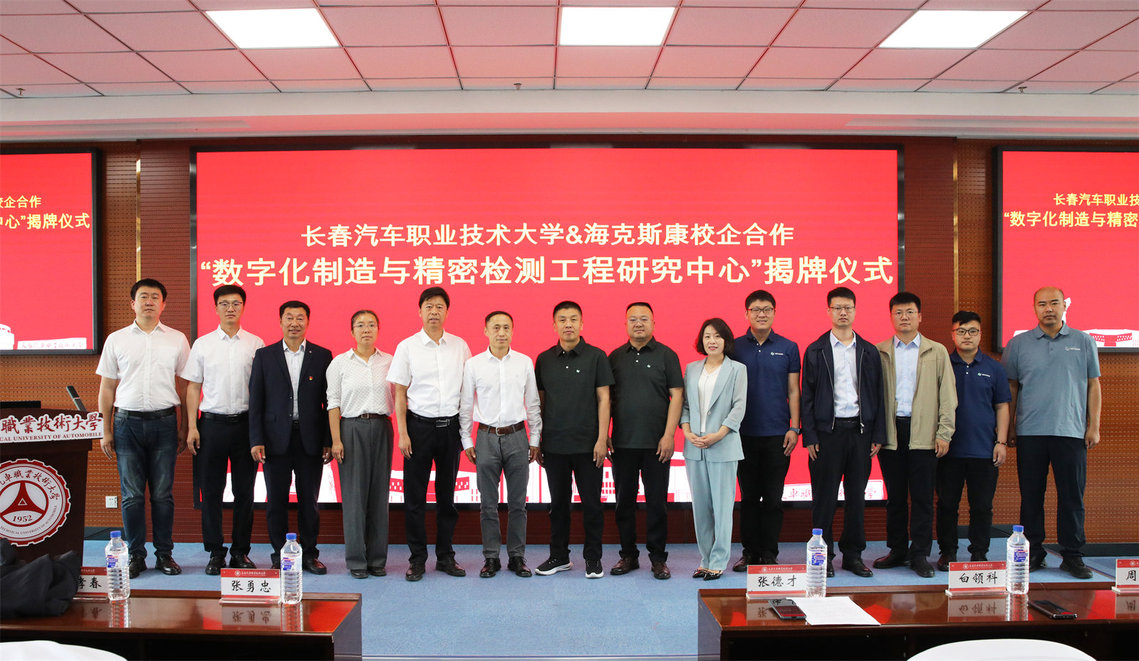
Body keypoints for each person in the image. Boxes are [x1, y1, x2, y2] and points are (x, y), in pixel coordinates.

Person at [1003, 286, 1101, 579]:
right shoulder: (1018, 344)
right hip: (1030, 432)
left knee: (1072, 496)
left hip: (1071, 431)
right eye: (1042, 304)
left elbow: (1093, 384)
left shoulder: (1084, 341)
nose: (1048, 308)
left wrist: (1093, 426)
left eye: (1054, 303)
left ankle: (1072, 555)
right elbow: (1011, 388)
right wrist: (1009, 427)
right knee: (1031, 496)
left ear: (1064, 306)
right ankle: (1033, 552)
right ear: (1034, 308)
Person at [97, 278, 191, 579]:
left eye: (155, 297)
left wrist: (185, 427)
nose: (149, 301)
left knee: (162, 495)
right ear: (132, 303)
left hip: (165, 423)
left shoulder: (177, 339)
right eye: (143, 297)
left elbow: (187, 386)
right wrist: (106, 430)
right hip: (126, 424)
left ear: (163, 304)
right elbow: (107, 388)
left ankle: (164, 554)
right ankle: (136, 555)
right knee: (132, 496)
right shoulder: (116, 339)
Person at [387, 287, 472, 581]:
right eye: (428, 306)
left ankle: (446, 556)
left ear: (447, 311)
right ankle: (417, 559)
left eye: (439, 306)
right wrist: (403, 433)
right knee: (415, 498)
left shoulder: (460, 346)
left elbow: (467, 392)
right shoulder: (407, 347)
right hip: (418, 428)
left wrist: (465, 432)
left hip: (450, 429)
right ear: (419, 311)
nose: (434, 311)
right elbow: (399, 392)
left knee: (447, 498)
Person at [800, 286, 884, 579]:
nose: (843, 312)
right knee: (823, 498)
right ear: (829, 311)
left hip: (860, 433)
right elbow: (807, 397)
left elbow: (878, 394)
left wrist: (878, 434)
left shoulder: (869, 351)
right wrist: (810, 436)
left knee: (856, 498)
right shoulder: (816, 350)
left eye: (848, 307)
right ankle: (822, 555)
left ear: (855, 311)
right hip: (827, 435)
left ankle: (853, 555)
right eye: (837, 307)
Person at [873, 292, 957, 579]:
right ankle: (897, 550)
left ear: (920, 316)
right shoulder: (879, 351)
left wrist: (944, 433)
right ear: (891, 317)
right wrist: (876, 433)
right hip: (891, 432)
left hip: (925, 432)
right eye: (898, 312)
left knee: (922, 498)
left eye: (910, 312)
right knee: (895, 498)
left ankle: (920, 553)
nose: (904, 317)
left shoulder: (937, 351)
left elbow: (948, 397)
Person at [182, 284, 264, 575]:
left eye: (236, 303)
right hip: (211, 426)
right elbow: (193, 387)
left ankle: (240, 551)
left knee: (245, 492)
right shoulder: (203, 344)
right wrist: (192, 426)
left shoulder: (256, 344)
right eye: (224, 303)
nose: (230, 308)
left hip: (245, 426)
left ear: (243, 307)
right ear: (215, 307)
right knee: (211, 492)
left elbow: (261, 391)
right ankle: (215, 552)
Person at [249, 300, 333, 574]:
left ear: (308, 322)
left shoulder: (322, 356)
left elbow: (329, 402)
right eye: (289, 317)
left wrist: (328, 440)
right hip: (274, 440)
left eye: (300, 318)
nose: (294, 323)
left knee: (310, 501)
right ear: (280, 321)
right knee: (276, 501)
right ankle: (279, 555)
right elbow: (256, 400)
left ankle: (309, 554)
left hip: (310, 439)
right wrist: (256, 439)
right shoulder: (265, 355)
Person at [534, 301, 614, 579]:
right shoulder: (544, 359)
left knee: (592, 504)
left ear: (582, 324)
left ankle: (593, 558)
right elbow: (540, 402)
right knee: (558, 505)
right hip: (554, 444)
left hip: (588, 445)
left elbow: (604, 399)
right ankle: (559, 556)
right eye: (562, 319)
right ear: (554, 324)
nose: (568, 324)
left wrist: (602, 438)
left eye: (573, 319)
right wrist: (538, 440)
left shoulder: (596, 356)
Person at [459, 311, 542, 579]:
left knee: (518, 503)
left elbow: (532, 403)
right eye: (496, 327)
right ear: (486, 331)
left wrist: (535, 439)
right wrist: (466, 440)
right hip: (485, 437)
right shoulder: (473, 365)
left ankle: (517, 556)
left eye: (506, 327)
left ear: (513, 331)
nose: (501, 332)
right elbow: (466, 405)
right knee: (488, 503)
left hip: (518, 436)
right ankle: (491, 557)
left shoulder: (524, 362)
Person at [608, 302, 683, 580]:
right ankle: (628, 555)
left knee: (657, 504)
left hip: (657, 444)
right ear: (625, 324)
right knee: (623, 503)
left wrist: (669, 435)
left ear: (653, 323)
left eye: (644, 319)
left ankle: (658, 558)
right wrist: (604, 433)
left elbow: (677, 395)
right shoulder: (615, 357)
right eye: (633, 319)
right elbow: (605, 399)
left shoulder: (667, 355)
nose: (638, 323)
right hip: (622, 443)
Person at [730, 290, 800, 570]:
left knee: (772, 498)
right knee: (748, 498)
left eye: (767, 309)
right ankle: (749, 552)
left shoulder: (789, 347)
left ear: (774, 312)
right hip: (742, 434)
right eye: (756, 310)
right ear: (746, 313)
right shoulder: (734, 347)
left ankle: (769, 553)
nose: (761, 314)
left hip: (777, 435)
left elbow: (793, 390)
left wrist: (795, 427)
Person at [935, 311, 1010, 571]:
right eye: (961, 331)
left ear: (980, 334)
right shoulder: (943, 364)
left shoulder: (994, 368)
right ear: (952, 334)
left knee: (982, 507)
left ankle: (979, 553)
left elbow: (1002, 406)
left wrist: (1001, 442)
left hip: (984, 450)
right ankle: (948, 552)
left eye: (973, 331)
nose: (967, 336)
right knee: (947, 505)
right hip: (948, 450)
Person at [327, 310, 394, 579]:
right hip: (351, 428)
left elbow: (400, 398)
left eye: (371, 324)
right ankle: (356, 560)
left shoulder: (390, 361)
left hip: (382, 427)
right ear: (351, 331)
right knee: (354, 497)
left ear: (378, 329)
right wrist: (336, 440)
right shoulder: (340, 363)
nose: (366, 329)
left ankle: (377, 559)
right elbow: (333, 403)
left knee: (380, 495)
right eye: (360, 325)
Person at [680, 318, 747, 581]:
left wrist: (718, 434)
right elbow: (685, 406)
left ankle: (718, 561)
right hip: (694, 447)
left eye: (717, 336)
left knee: (722, 507)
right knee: (701, 507)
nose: (712, 341)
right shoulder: (692, 369)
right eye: (707, 336)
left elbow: (739, 406)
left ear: (726, 340)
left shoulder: (737, 369)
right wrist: (687, 431)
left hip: (723, 445)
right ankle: (705, 559)